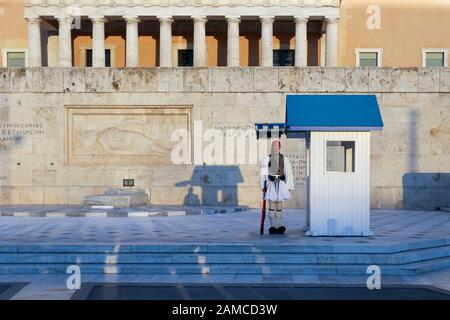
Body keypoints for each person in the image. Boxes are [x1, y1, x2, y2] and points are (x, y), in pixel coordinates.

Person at [260, 140, 294, 235]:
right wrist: (263, 185)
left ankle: (278, 227)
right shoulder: (267, 158)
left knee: (279, 207)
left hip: (281, 184)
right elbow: (263, 173)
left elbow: (288, 172)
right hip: (271, 184)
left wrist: (289, 185)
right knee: (271, 207)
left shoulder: (284, 159)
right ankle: (272, 226)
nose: (276, 147)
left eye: (277, 146)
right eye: (274, 146)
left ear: (280, 147)